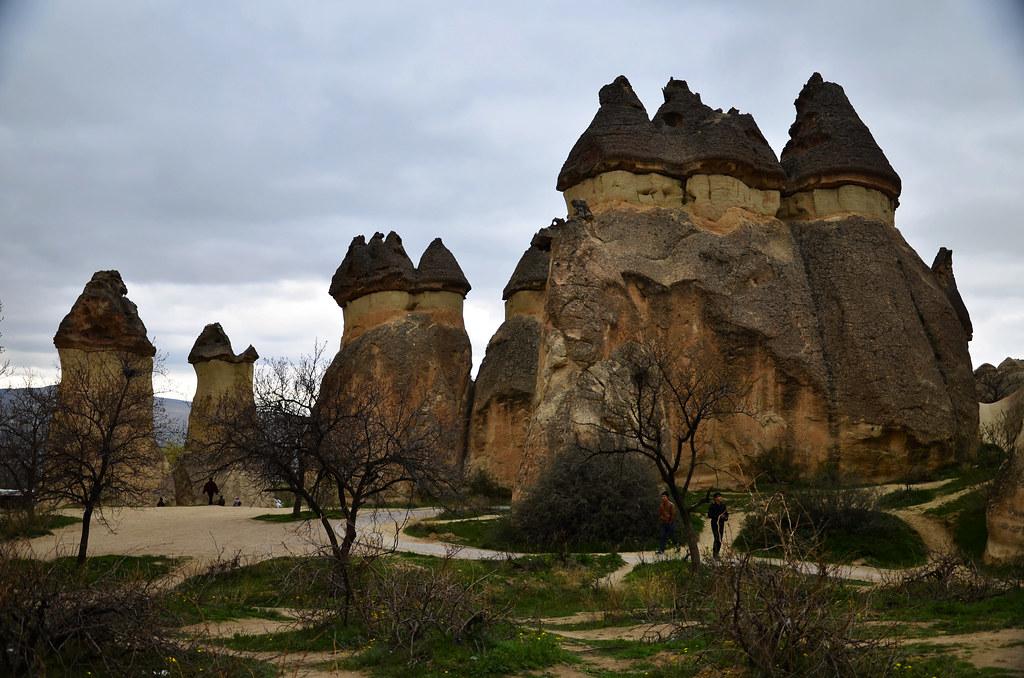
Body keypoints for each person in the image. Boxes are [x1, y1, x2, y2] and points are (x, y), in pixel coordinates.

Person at [708, 492, 729, 560]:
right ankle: (715, 554)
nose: (720, 498)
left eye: (720, 496)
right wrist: (718, 516)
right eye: (719, 496)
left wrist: (725, 517)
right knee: (716, 537)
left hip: (721, 524)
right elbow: (709, 515)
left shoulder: (723, 505)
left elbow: (726, 514)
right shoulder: (712, 506)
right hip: (714, 523)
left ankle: (717, 553)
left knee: (720, 539)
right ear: (715, 498)